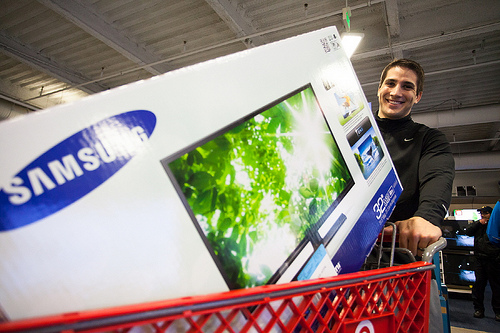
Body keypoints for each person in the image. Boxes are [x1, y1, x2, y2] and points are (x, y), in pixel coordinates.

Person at [375, 59, 455, 333]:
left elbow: (438, 180)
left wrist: (426, 218)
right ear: (379, 88)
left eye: (407, 86)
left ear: (417, 96)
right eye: (391, 83)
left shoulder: (429, 139)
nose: (396, 92)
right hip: (340, 262)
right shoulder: (355, 132)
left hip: (399, 259)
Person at [465, 205, 500, 321]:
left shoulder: (495, 225)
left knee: (496, 287)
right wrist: (479, 223)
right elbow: (468, 231)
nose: (483, 216)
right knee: (478, 286)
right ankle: (478, 309)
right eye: (482, 213)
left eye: (486, 213)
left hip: (493, 259)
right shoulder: (478, 225)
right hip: (479, 259)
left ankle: (498, 311)